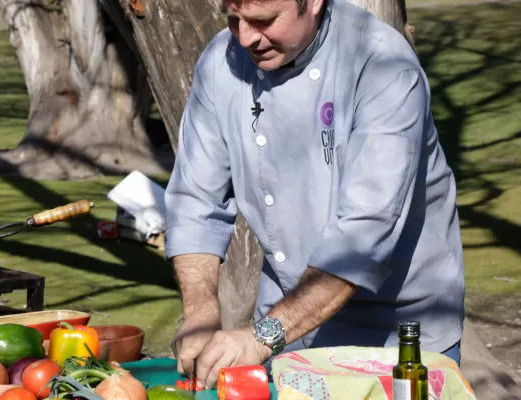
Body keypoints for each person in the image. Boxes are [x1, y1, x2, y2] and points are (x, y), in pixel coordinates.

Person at [164, 0, 465, 390]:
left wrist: (260, 337)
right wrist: (200, 313)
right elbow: (195, 201)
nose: (246, 37)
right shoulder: (220, 62)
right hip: (288, 332)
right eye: (234, 19)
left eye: (264, 21)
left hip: (398, 336)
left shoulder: (383, 65)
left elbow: (362, 236)